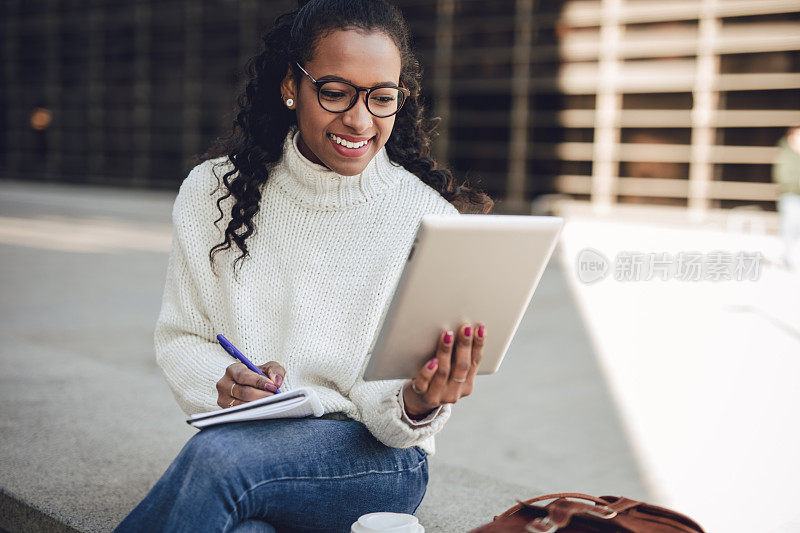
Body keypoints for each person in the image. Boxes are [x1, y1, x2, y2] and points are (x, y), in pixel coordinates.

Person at [115, 1, 493, 531]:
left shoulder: (426, 217)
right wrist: (224, 381)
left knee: (219, 460)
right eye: (335, 93)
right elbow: (182, 335)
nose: (360, 120)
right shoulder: (211, 192)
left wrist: (417, 399)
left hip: (377, 458)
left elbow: (391, 405)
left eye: (382, 98)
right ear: (292, 85)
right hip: (256, 442)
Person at [773, 126, 800, 269]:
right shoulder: (785, 154)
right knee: (791, 226)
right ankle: (785, 257)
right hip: (791, 195)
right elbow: (782, 176)